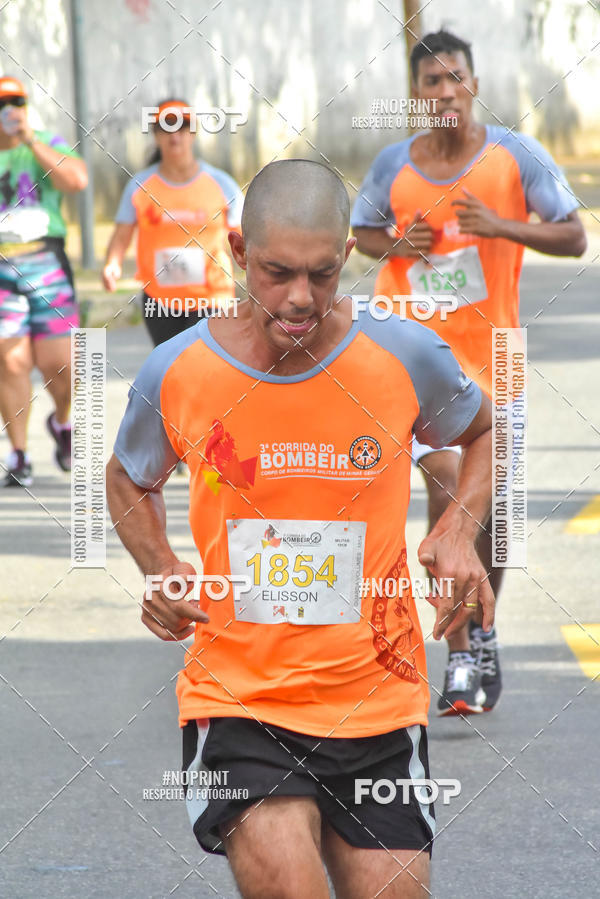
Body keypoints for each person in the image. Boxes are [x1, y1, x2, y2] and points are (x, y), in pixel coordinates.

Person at [107, 159, 495, 898]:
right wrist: (160, 565)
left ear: (347, 255)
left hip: (377, 700)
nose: (299, 298)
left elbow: (484, 430)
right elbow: (129, 476)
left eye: (322, 274)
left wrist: (458, 528)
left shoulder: (403, 352)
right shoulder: (178, 369)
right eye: (278, 272)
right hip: (240, 702)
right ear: (238, 251)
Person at [351, 30, 586, 716]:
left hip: (495, 357)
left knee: (497, 517)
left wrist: (502, 226)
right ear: (416, 93)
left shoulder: (516, 155)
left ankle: (483, 630)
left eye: (456, 77)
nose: (446, 91)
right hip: (414, 358)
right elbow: (363, 233)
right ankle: (458, 651)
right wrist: (396, 242)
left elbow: (574, 234)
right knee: (450, 488)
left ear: (474, 84)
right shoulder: (394, 164)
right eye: (432, 81)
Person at [0, 76, 88, 486]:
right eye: (2, 104)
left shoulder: (46, 142)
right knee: (10, 361)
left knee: (61, 363)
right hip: (2, 267)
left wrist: (31, 141)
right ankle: (19, 453)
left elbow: (78, 181)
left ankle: (62, 421)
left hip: (46, 263)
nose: (9, 110)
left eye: (15, 102)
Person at [102, 98, 244, 347]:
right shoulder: (140, 186)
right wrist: (112, 263)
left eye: (182, 126)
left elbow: (246, 236)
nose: (174, 135)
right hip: (159, 300)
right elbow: (122, 234)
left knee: (204, 359)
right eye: (166, 127)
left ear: (193, 133)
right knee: (170, 363)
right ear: (156, 135)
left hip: (212, 296)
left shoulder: (222, 184)